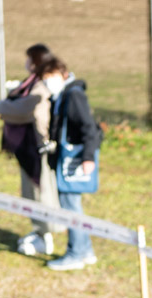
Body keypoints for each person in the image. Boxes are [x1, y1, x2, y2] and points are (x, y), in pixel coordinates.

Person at [0, 44, 65, 257]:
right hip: (27, 147)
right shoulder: (32, 83)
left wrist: (2, 107)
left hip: (36, 149)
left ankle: (45, 235)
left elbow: (31, 111)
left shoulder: (41, 86)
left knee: (39, 193)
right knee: (31, 192)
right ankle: (40, 233)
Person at [44, 61, 103, 272]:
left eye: (50, 76)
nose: (47, 82)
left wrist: (88, 157)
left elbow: (89, 128)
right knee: (72, 205)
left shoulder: (74, 95)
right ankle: (85, 250)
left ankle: (76, 253)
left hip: (74, 161)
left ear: (62, 74)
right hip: (65, 158)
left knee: (71, 208)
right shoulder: (63, 94)